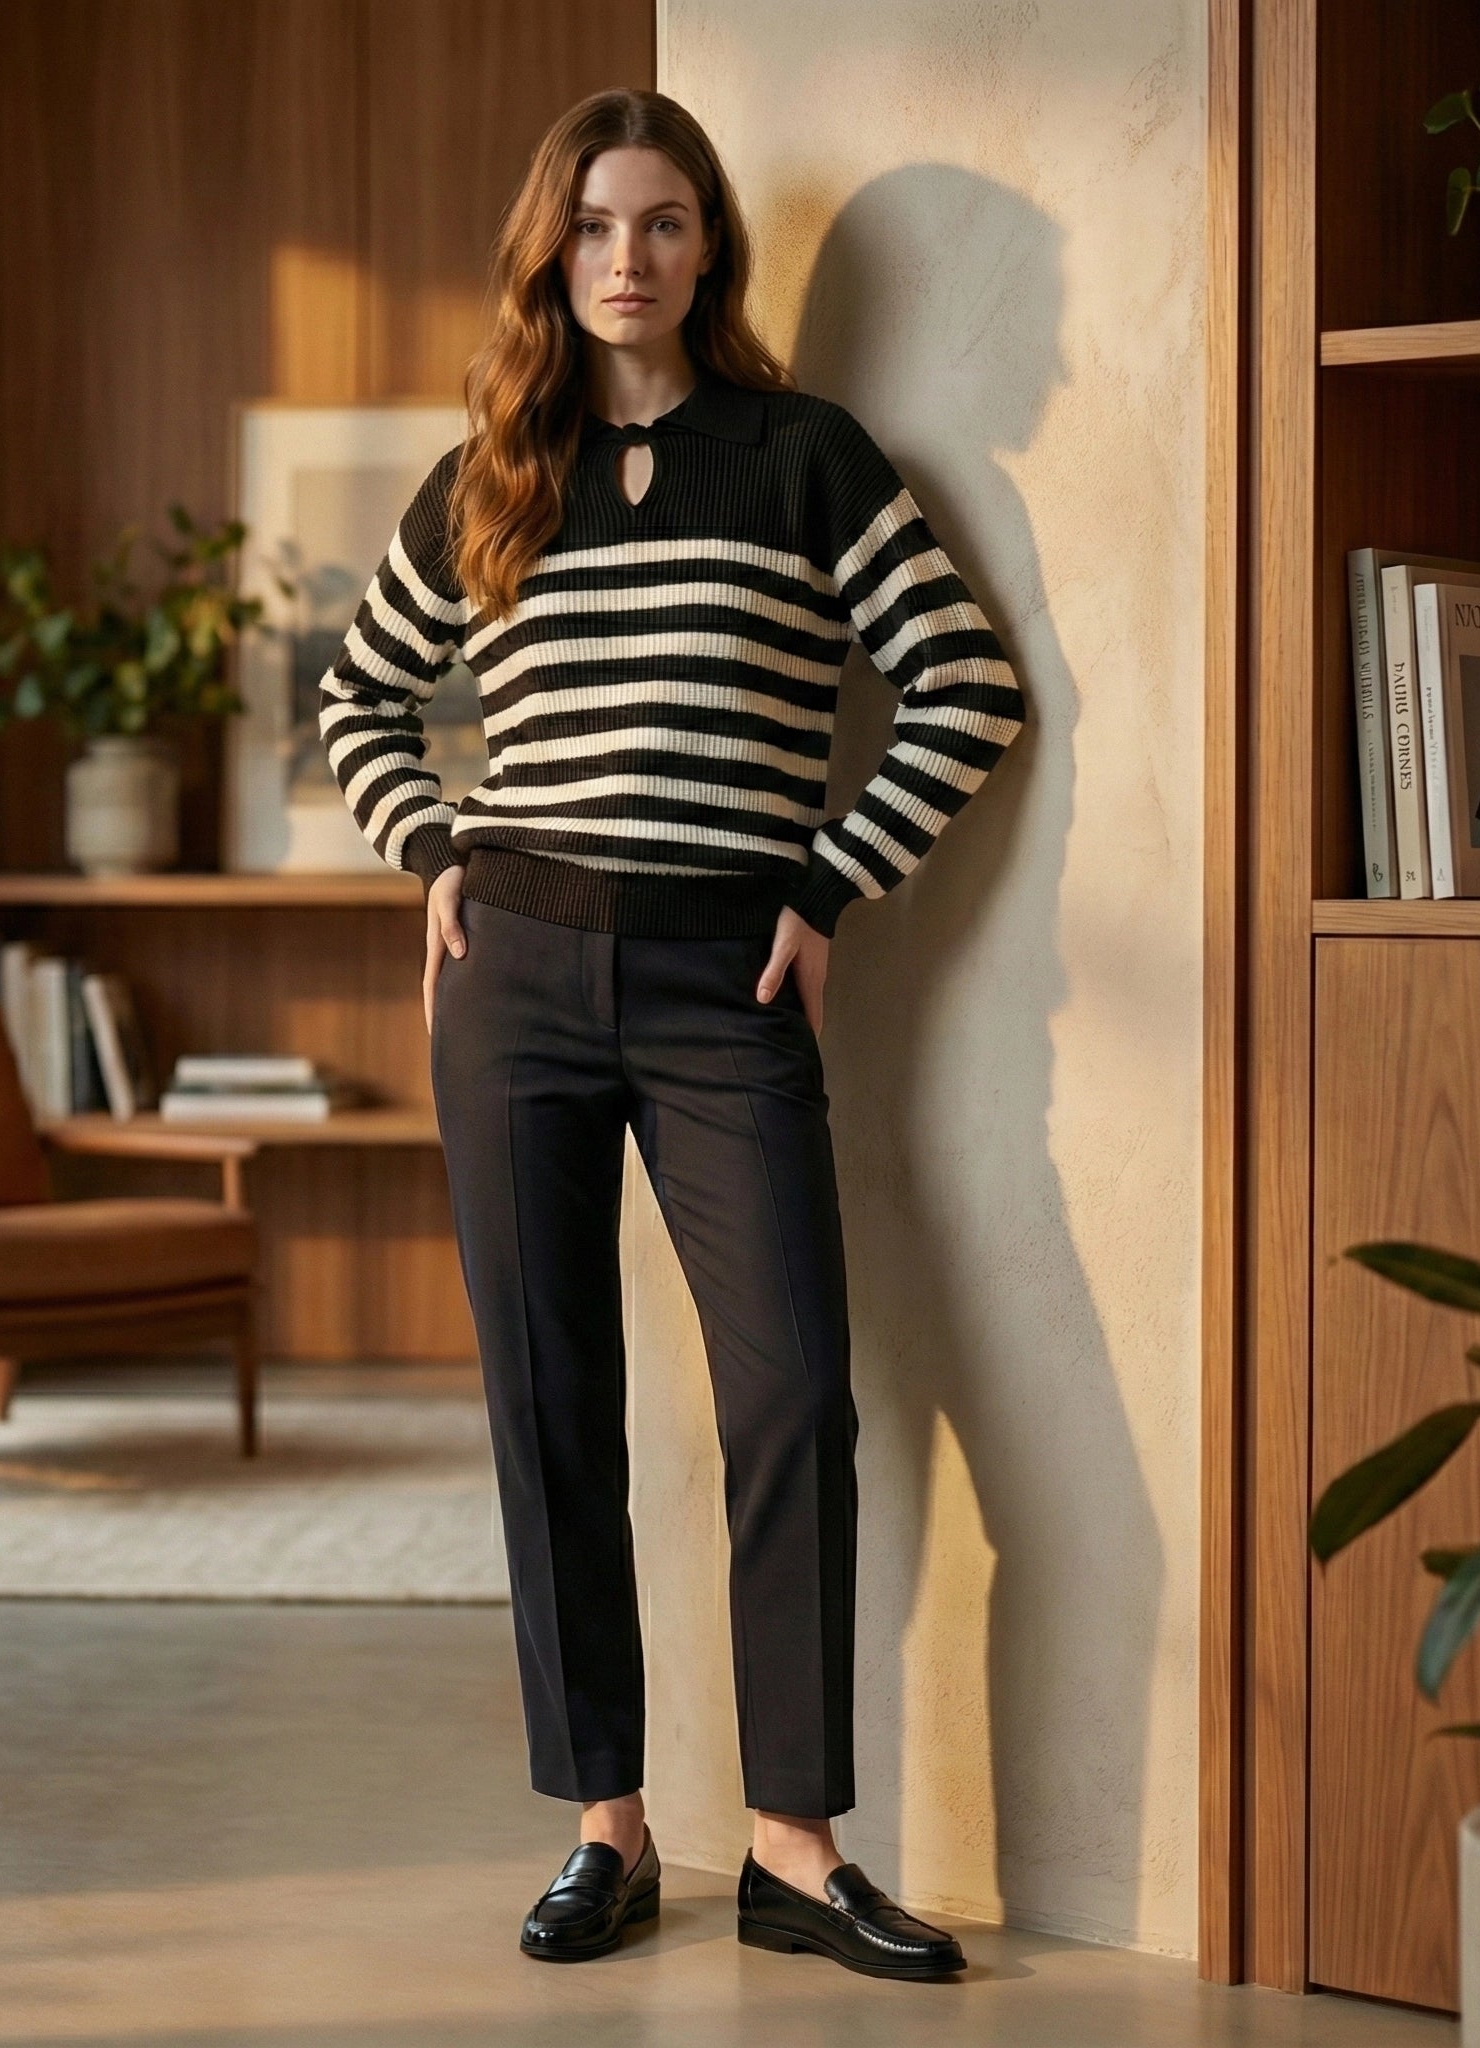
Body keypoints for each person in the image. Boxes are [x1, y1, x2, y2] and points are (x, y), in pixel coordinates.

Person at [321, 85, 1024, 1980]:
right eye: (593, 225)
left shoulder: (805, 456)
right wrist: (434, 851)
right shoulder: (493, 474)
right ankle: (606, 1827)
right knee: (552, 1403)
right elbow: (358, 698)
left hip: (728, 985)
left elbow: (966, 686)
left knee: (793, 1392)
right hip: (517, 979)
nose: (625, 258)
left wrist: (832, 881)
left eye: (662, 223)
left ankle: (794, 1850)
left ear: (710, 249)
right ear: (548, 251)